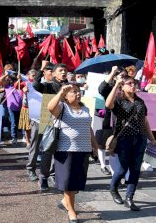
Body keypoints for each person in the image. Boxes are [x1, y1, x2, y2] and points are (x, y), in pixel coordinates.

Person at [48, 84, 99, 223]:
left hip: (83, 150)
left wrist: (95, 146)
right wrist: (60, 92)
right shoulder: (63, 108)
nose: (78, 94)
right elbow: (50, 107)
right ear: (66, 96)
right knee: (68, 182)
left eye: (79, 91)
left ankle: (66, 201)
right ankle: (72, 211)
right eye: (74, 92)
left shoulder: (85, 108)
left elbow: (88, 129)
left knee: (76, 182)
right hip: (65, 150)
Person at [105, 75, 156, 211]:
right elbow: (108, 105)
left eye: (134, 83)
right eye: (129, 83)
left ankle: (129, 197)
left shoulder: (140, 101)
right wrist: (116, 85)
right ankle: (113, 188)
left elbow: (145, 121)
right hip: (123, 139)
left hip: (140, 139)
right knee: (122, 169)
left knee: (135, 169)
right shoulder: (118, 100)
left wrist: (151, 138)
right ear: (123, 86)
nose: (133, 86)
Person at [29, 61, 69, 190]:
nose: (63, 73)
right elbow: (35, 85)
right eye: (60, 71)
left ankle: (56, 174)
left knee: (63, 150)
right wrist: (41, 69)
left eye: (65, 71)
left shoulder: (70, 86)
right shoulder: (49, 86)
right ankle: (43, 177)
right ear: (54, 74)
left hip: (66, 121)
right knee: (48, 149)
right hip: (49, 119)